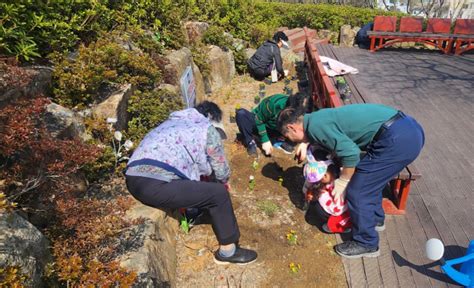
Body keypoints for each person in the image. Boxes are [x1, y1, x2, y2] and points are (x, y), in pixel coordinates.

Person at [277, 103, 424, 258]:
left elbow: (351, 154)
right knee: (369, 181)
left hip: (397, 140)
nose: (291, 142)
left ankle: (367, 243)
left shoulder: (315, 127)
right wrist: (305, 143)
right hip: (407, 129)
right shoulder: (314, 119)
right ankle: (374, 219)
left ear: (293, 128)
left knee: (358, 190)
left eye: (288, 137)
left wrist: (343, 181)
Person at [125, 101, 257, 265]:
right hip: (154, 185)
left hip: (133, 177)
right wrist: (222, 182)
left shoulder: (170, 123)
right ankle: (228, 251)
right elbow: (220, 168)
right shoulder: (205, 129)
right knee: (218, 193)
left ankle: (194, 212)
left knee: (196, 184)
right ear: (211, 117)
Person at [235, 93, 307, 156]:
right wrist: (265, 139)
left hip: (277, 129)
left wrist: (304, 143)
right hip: (260, 124)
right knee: (241, 114)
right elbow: (259, 119)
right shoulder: (273, 104)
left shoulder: (300, 111)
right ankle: (250, 142)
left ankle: (277, 140)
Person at [302, 149, 351, 234]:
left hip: (340, 211)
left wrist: (319, 196)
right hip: (332, 200)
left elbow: (337, 210)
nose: (318, 182)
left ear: (324, 176)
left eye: (319, 179)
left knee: (318, 207)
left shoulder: (341, 185)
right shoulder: (330, 176)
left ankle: (340, 226)